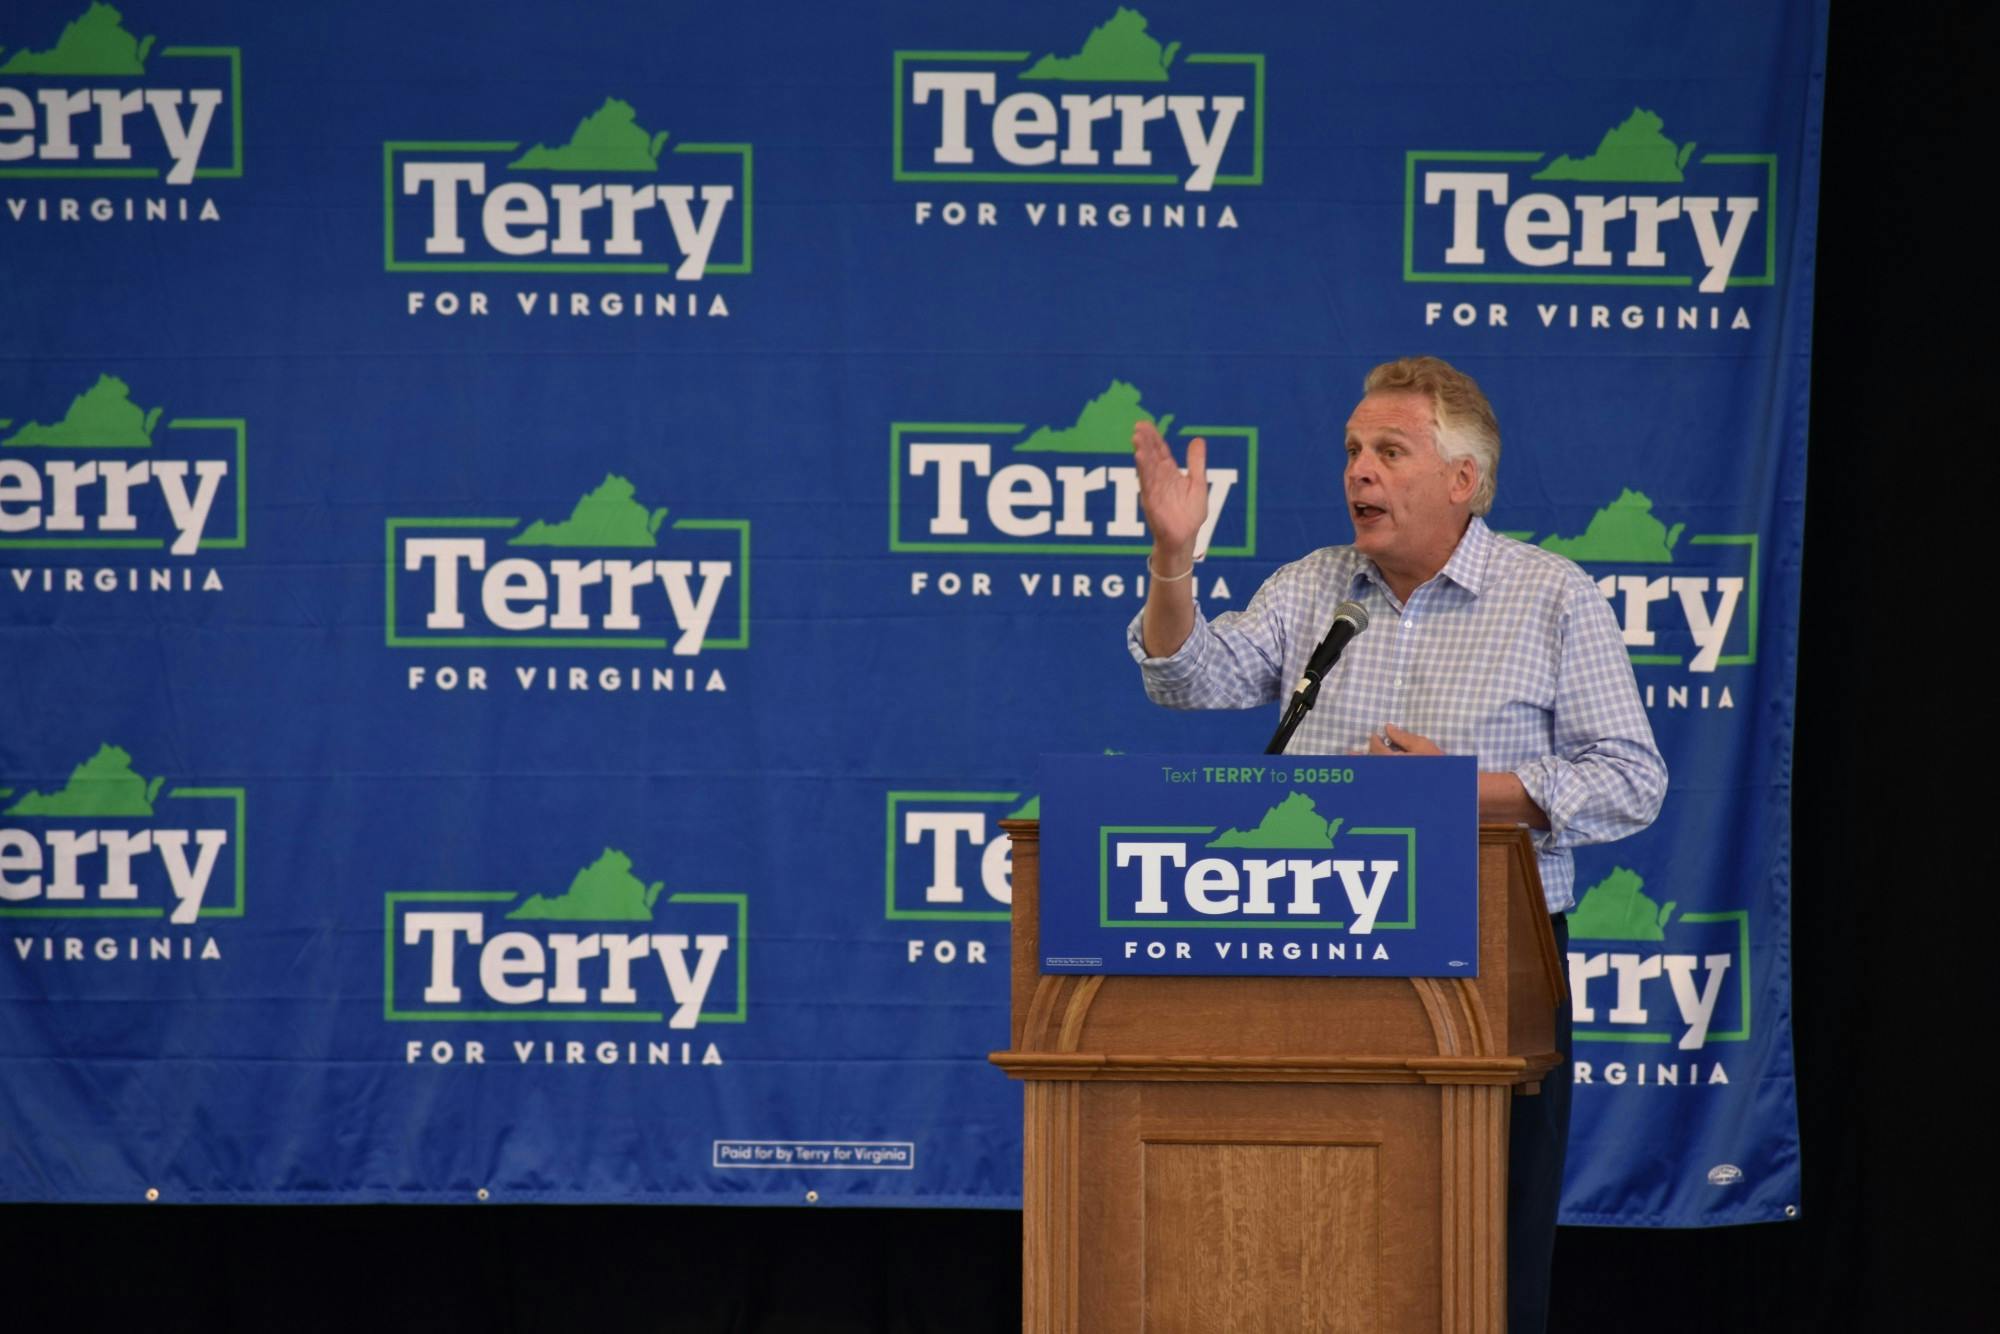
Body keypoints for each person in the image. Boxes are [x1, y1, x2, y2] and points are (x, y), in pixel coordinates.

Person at [1126, 354, 1666, 1333]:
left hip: (1487, 971)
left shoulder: (1550, 597)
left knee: (1471, 1255)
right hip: (1312, 962)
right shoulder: (1313, 588)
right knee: (1309, 1235)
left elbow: (1630, 780)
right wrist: (1173, 560)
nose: (1356, 472)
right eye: (1349, 450)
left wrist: (1462, 791)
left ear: (1463, 479)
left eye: (1387, 450)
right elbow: (1184, 678)